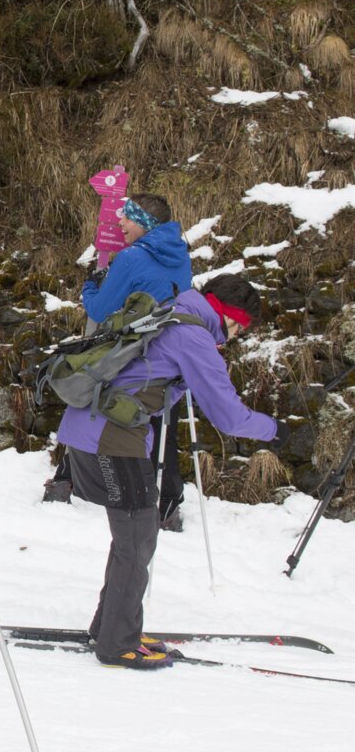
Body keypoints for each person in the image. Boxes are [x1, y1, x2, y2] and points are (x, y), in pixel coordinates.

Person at [56, 272, 276, 670]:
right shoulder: (193, 336)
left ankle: (109, 628)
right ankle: (117, 644)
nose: (236, 337)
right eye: (240, 329)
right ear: (230, 316)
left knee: (133, 538)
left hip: (95, 430)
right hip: (111, 439)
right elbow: (228, 417)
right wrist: (273, 430)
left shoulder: (172, 312)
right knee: (137, 540)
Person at [45, 192, 193, 520]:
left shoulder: (131, 258)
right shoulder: (181, 256)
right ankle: (169, 504)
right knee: (162, 421)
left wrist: (91, 285)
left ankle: (65, 480)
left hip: (130, 355)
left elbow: (100, 309)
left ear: (144, 222)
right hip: (171, 353)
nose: (120, 221)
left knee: (89, 402)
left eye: (127, 216)